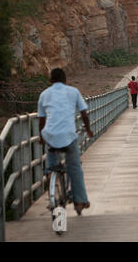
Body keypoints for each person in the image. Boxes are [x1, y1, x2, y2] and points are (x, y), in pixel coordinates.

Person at [37, 68, 93, 212]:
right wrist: (87, 129)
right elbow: (84, 114)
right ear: (65, 80)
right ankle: (80, 201)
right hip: (69, 136)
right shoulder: (73, 91)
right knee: (74, 168)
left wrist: (41, 137)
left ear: (50, 80)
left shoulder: (44, 94)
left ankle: (52, 192)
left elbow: (42, 120)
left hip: (50, 135)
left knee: (51, 166)